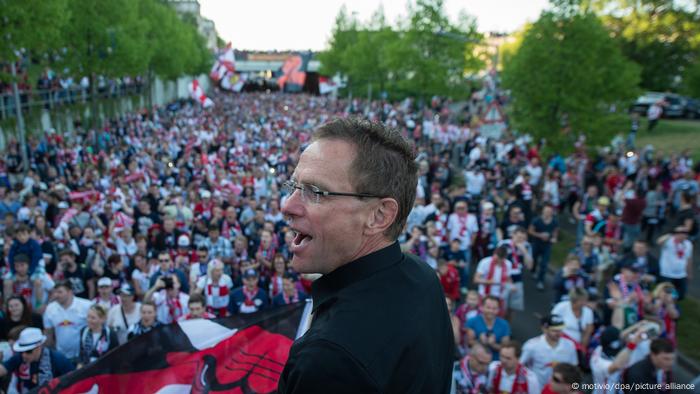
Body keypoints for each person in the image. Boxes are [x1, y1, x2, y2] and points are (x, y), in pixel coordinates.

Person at [277, 118, 454, 393]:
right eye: (293, 186)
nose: (287, 206)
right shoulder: (423, 278)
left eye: (315, 192)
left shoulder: (329, 359)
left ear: (379, 215)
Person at [0, 327, 75, 392]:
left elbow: (74, 381)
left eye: (28, 351)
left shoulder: (58, 359)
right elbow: (2, 369)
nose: (24, 354)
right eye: (21, 351)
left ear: (39, 347)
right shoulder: (20, 357)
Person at [520, 314, 578, 388]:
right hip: (537, 389)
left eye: (560, 330)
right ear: (544, 329)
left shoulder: (570, 345)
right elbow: (521, 366)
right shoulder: (531, 345)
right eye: (554, 330)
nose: (558, 333)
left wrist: (573, 388)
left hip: (560, 390)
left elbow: (573, 369)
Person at [43, 280, 92, 363]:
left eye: (60, 292)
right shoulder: (50, 309)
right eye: (55, 292)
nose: (56, 295)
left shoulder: (86, 305)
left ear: (70, 292)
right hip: (61, 356)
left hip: (83, 356)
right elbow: (48, 333)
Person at [590, 326, 644, 394]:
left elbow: (620, 336)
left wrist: (639, 325)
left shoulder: (600, 348)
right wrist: (632, 344)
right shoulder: (599, 363)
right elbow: (617, 365)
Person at [466, 295, 511, 360]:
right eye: (488, 308)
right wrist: (480, 342)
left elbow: (506, 347)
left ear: (498, 309)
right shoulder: (472, 321)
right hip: (477, 359)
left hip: (496, 361)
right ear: (482, 307)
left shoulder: (504, 324)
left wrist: (493, 344)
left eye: (494, 308)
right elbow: (469, 342)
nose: (491, 311)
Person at [551, 288, 595, 353]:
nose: (585, 302)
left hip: (577, 347)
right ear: (574, 300)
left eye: (585, 300)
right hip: (559, 343)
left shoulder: (588, 312)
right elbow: (551, 326)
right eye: (582, 300)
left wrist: (582, 348)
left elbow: (588, 332)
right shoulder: (561, 307)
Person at [657, 227, 693, 300]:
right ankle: (665, 307)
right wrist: (671, 233)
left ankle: (671, 304)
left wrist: (689, 273)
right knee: (667, 294)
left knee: (681, 295)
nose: (682, 235)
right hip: (667, 274)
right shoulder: (669, 241)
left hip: (681, 274)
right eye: (679, 233)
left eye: (684, 233)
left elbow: (689, 259)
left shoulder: (688, 244)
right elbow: (659, 241)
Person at [474, 246, 512, 310]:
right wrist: (488, 282)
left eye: (501, 260)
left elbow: (508, 278)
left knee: (498, 316)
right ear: (494, 254)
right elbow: (475, 279)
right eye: (497, 259)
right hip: (485, 294)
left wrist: (511, 285)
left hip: (500, 295)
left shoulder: (508, 264)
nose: (499, 262)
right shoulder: (485, 262)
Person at [529, 204, 558, 290]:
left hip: (547, 245)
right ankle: (533, 270)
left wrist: (554, 238)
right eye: (546, 211)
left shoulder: (554, 221)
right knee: (534, 258)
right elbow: (530, 231)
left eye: (549, 212)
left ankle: (540, 281)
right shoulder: (536, 220)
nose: (548, 213)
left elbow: (555, 231)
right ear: (543, 211)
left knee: (544, 264)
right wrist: (540, 235)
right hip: (536, 243)